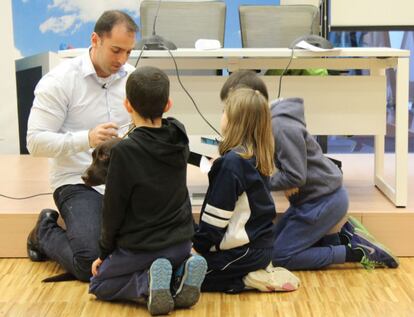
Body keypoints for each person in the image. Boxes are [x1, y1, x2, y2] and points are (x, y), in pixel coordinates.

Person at [220, 70, 399, 271]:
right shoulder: (269, 124)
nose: (227, 114)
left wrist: (265, 181)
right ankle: (340, 238)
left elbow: (295, 175)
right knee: (269, 247)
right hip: (309, 202)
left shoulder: (281, 127)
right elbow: (290, 174)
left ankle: (356, 251)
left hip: (322, 201)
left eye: (229, 107)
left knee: (280, 257)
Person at [26, 10, 138, 282]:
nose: (122, 60)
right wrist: (86, 138)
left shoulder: (132, 78)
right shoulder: (60, 81)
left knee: (149, 245)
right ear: (95, 40)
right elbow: (35, 141)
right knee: (90, 262)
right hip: (77, 181)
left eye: (128, 52)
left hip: (124, 182)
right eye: (116, 50)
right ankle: (44, 232)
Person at [88, 66, 207, 316]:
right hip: (181, 243)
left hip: (142, 247)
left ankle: (147, 282)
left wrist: (104, 253)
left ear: (127, 105)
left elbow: (113, 210)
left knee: (99, 284)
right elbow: (170, 124)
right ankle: (178, 274)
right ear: (168, 104)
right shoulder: (179, 134)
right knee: (161, 262)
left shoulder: (123, 152)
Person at [193, 87, 300, 294]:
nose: (222, 115)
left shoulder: (231, 163)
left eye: (225, 111)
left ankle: (247, 279)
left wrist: (197, 248)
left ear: (235, 119)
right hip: (257, 248)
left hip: (242, 252)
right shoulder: (252, 155)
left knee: (184, 275)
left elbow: (215, 222)